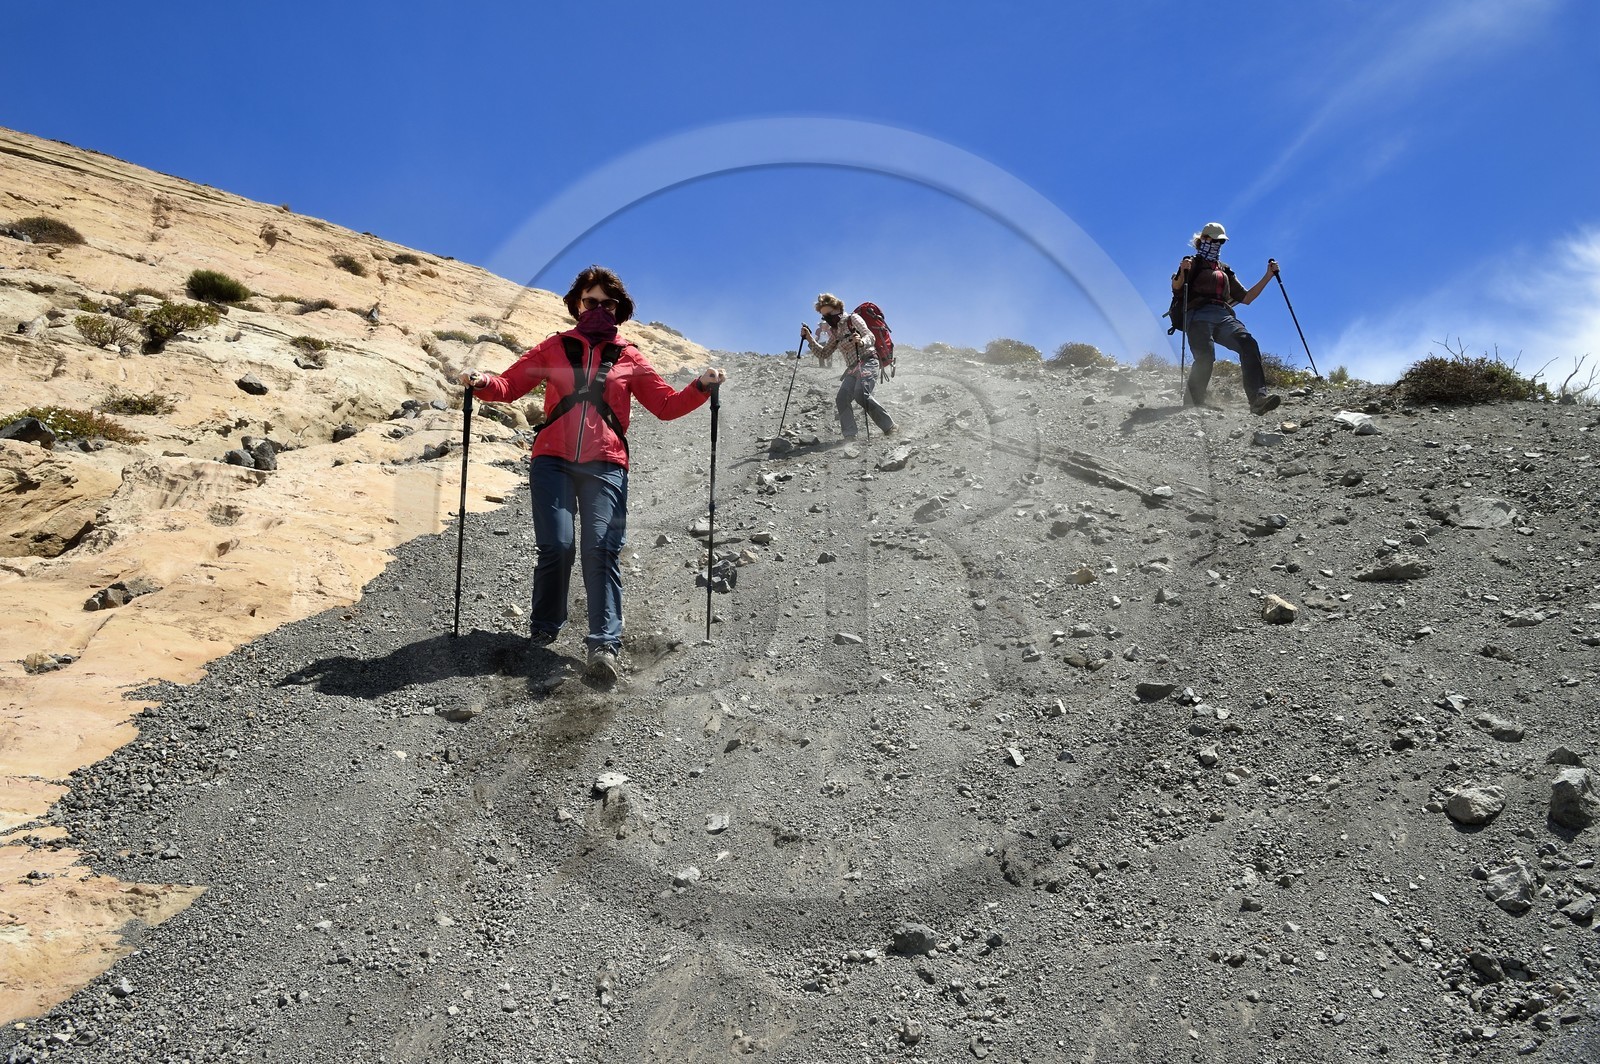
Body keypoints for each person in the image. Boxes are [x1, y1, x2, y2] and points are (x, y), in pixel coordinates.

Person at [460, 266, 726, 682]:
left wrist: (702, 386)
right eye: (591, 301)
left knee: (601, 549)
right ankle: (545, 628)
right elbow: (509, 386)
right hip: (553, 459)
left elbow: (666, 406)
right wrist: (480, 382)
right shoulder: (554, 347)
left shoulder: (631, 356)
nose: (599, 309)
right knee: (558, 545)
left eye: (608, 303)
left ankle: (604, 644)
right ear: (577, 305)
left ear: (619, 310)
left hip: (606, 463)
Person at [1171, 222, 1282, 415]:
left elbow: (1246, 298)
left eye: (1220, 242)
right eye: (1213, 240)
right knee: (1205, 356)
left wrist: (1268, 276)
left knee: (1248, 343)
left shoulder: (1225, 270)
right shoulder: (1192, 263)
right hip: (1197, 315)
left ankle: (1258, 399)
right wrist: (1182, 271)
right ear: (1203, 240)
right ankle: (1193, 402)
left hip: (1223, 315)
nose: (1216, 244)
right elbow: (1177, 287)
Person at [801, 293, 895, 438]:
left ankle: (890, 427)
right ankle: (850, 436)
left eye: (829, 314)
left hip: (869, 359)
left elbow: (870, 335)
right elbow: (824, 353)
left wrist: (861, 341)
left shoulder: (853, 319)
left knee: (860, 393)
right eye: (824, 316)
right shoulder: (835, 332)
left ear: (837, 308)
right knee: (842, 398)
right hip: (852, 368)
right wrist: (809, 338)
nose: (827, 318)